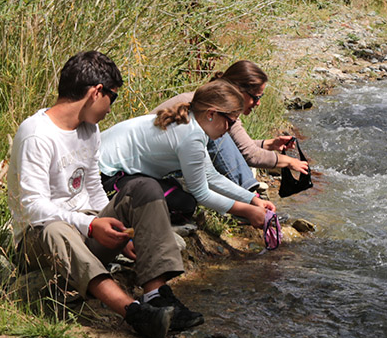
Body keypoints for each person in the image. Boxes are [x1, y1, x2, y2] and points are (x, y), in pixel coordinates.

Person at [6, 51, 178, 338]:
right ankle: (134, 313)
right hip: (40, 241)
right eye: (113, 97)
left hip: (87, 231)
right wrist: (90, 226)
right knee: (57, 229)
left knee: (145, 188)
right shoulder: (36, 134)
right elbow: (32, 208)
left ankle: (157, 297)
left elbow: (93, 189)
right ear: (96, 92)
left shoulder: (90, 129)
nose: (110, 108)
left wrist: (120, 234)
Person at [99, 78, 276, 244]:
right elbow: (202, 193)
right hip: (105, 177)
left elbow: (211, 176)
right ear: (211, 114)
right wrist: (247, 211)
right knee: (184, 205)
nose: (229, 130)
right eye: (230, 122)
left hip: (112, 170)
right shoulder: (191, 137)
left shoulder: (193, 124)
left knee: (181, 197)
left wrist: (252, 199)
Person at [153, 61, 308, 191]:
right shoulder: (217, 110)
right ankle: (250, 201)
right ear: (238, 90)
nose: (258, 103)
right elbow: (249, 154)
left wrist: (268, 144)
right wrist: (289, 162)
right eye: (256, 97)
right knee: (217, 140)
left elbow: (236, 148)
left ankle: (249, 199)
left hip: (166, 163)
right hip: (154, 169)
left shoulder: (216, 101)